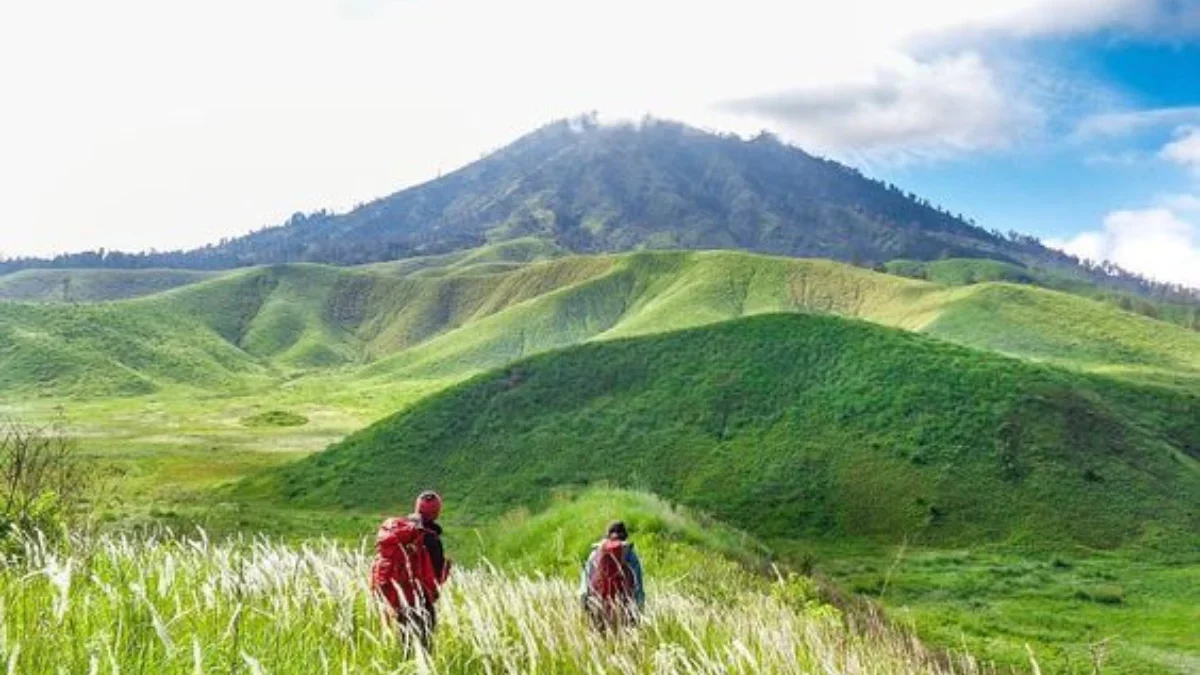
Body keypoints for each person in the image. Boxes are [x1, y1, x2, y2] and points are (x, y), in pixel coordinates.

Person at [370, 491, 451, 653]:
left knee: (404, 644)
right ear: (436, 512)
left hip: (398, 599)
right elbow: (438, 574)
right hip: (421, 600)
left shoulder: (398, 532)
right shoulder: (430, 538)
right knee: (423, 648)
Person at [580, 520, 644, 632]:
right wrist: (638, 611)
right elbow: (638, 588)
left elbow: (584, 587)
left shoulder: (595, 553)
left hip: (598, 605)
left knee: (599, 642)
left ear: (607, 535)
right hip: (624, 607)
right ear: (625, 536)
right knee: (624, 641)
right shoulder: (630, 555)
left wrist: (585, 605)